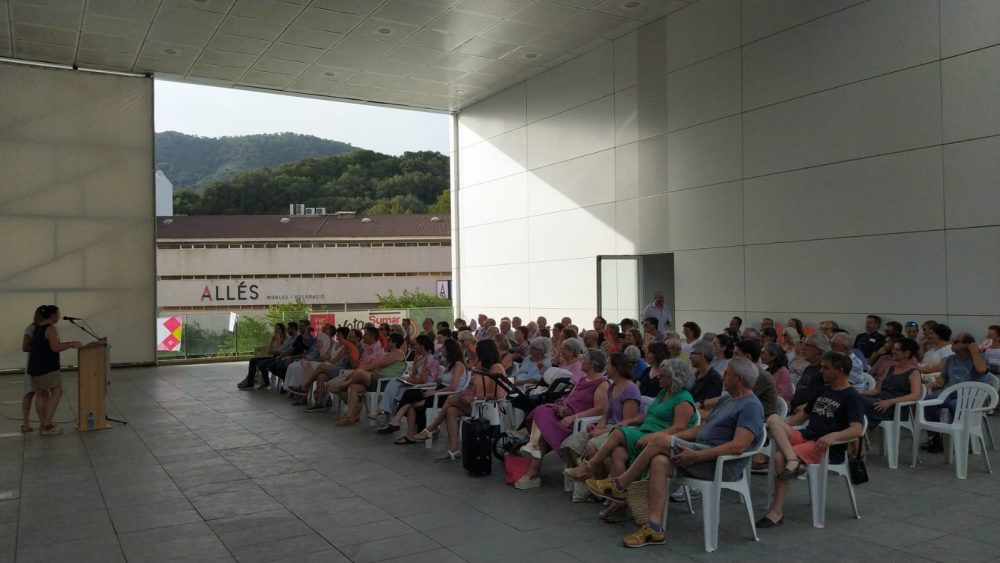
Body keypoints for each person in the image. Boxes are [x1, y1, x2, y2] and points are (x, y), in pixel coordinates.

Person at [585, 359, 765, 548]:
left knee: (659, 439)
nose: (722, 375)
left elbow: (737, 447)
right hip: (699, 453)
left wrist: (695, 455)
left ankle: (620, 485)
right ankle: (654, 527)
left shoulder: (751, 406)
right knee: (659, 461)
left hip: (719, 463)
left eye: (726, 373)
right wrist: (678, 439)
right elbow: (702, 428)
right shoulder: (728, 399)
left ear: (739, 379)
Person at [757, 351, 865, 528]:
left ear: (839, 371)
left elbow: (857, 429)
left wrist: (834, 435)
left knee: (778, 457)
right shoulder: (823, 390)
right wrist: (782, 429)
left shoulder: (851, 396)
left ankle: (776, 512)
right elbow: (802, 416)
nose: (821, 371)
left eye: (825, 368)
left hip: (824, 446)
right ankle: (793, 460)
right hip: (806, 436)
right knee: (773, 419)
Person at [515, 348, 609, 489]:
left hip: (576, 423)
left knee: (542, 422)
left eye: (584, 358)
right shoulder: (582, 380)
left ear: (592, 364)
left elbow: (600, 409)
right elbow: (569, 399)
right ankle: (533, 450)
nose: (581, 360)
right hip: (565, 415)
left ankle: (533, 467)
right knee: (543, 410)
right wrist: (562, 408)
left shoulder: (602, 383)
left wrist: (573, 417)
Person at [413, 339, 507, 461]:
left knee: (452, 398)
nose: (476, 354)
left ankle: (431, 429)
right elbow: (474, 386)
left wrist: (473, 397)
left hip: (488, 406)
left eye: (477, 352)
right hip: (477, 405)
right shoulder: (482, 367)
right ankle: (454, 450)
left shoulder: (496, 368)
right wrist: (469, 391)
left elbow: (497, 395)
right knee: (451, 410)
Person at [561, 353, 642, 482]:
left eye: (608, 365)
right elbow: (605, 415)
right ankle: (591, 481)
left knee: (592, 446)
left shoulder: (630, 390)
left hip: (621, 431)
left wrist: (601, 432)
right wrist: (596, 427)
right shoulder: (611, 388)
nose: (605, 368)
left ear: (616, 368)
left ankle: (601, 481)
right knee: (572, 443)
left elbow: (627, 424)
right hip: (608, 428)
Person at [920, 332, 990, 453]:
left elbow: (982, 370)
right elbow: (942, 379)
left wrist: (974, 351)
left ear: (968, 344)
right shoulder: (951, 359)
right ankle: (936, 438)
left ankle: (962, 438)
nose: (952, 344)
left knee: (954, 404)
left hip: (972, 396)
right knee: (928, 401)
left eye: (956, 342)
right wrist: (934, 383)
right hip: (951, 392)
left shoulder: (979, 358)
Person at [389, 338, 468, 444]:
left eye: (443, 348)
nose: (441, 350)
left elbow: (453, 387)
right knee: (410, 399)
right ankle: (409, 434)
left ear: (450, 350)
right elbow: (446, 382)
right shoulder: (450, 365)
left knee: (410, 396)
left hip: (447, 395)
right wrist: (438, 380)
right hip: (440, 390)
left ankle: (397, 420)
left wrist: (435, 392)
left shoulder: (459, 365)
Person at [27, 305, 82, 435]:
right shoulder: (51, 329)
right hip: (47, 367)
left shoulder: (37, 328)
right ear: (52, 316)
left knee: (41, 393)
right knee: (57, 391)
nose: (59, 316)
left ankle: (43, 424)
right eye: (57, 314)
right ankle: (47, 425)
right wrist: (71, 344)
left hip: (35, 366)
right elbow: (55, 348)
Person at [860, 337, 922, 429]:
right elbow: (877, 390)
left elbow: (915, 395)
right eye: (893, 349)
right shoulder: (891, 368)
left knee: (856, 403)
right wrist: (860, 392)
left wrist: (890, 402)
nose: (893, 351)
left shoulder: (914, 372)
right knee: (854, 398)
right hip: (880, 401)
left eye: (897, 350)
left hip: (895, 408)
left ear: (907, 353)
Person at [238, 322, 286, 390]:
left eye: (278, 328)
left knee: (262, 364)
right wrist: (272, 350)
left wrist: (274, 350)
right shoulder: (273, 338)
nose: (276, 330)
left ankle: (266, 382)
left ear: (282, 329)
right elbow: (269, 349)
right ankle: (250, 382)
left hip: (278, 357)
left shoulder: (285, 339)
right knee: (253, 360)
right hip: (271, 355)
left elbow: (281, 350)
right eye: (275, 328)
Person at [20, 306, 45, 433]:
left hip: (44, 365)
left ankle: (44, 422)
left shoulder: (45, 329)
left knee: (43, 393)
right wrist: (40, 349)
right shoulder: (31, 328)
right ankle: (25, 423)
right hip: (33, 364)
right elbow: (25, 347)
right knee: (30, 393)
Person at [688, 340, 723, 405]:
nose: (689, 357)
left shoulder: (714, 378)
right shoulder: (695, 375)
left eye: (692, 354)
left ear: (702, 355)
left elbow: (710, 405)